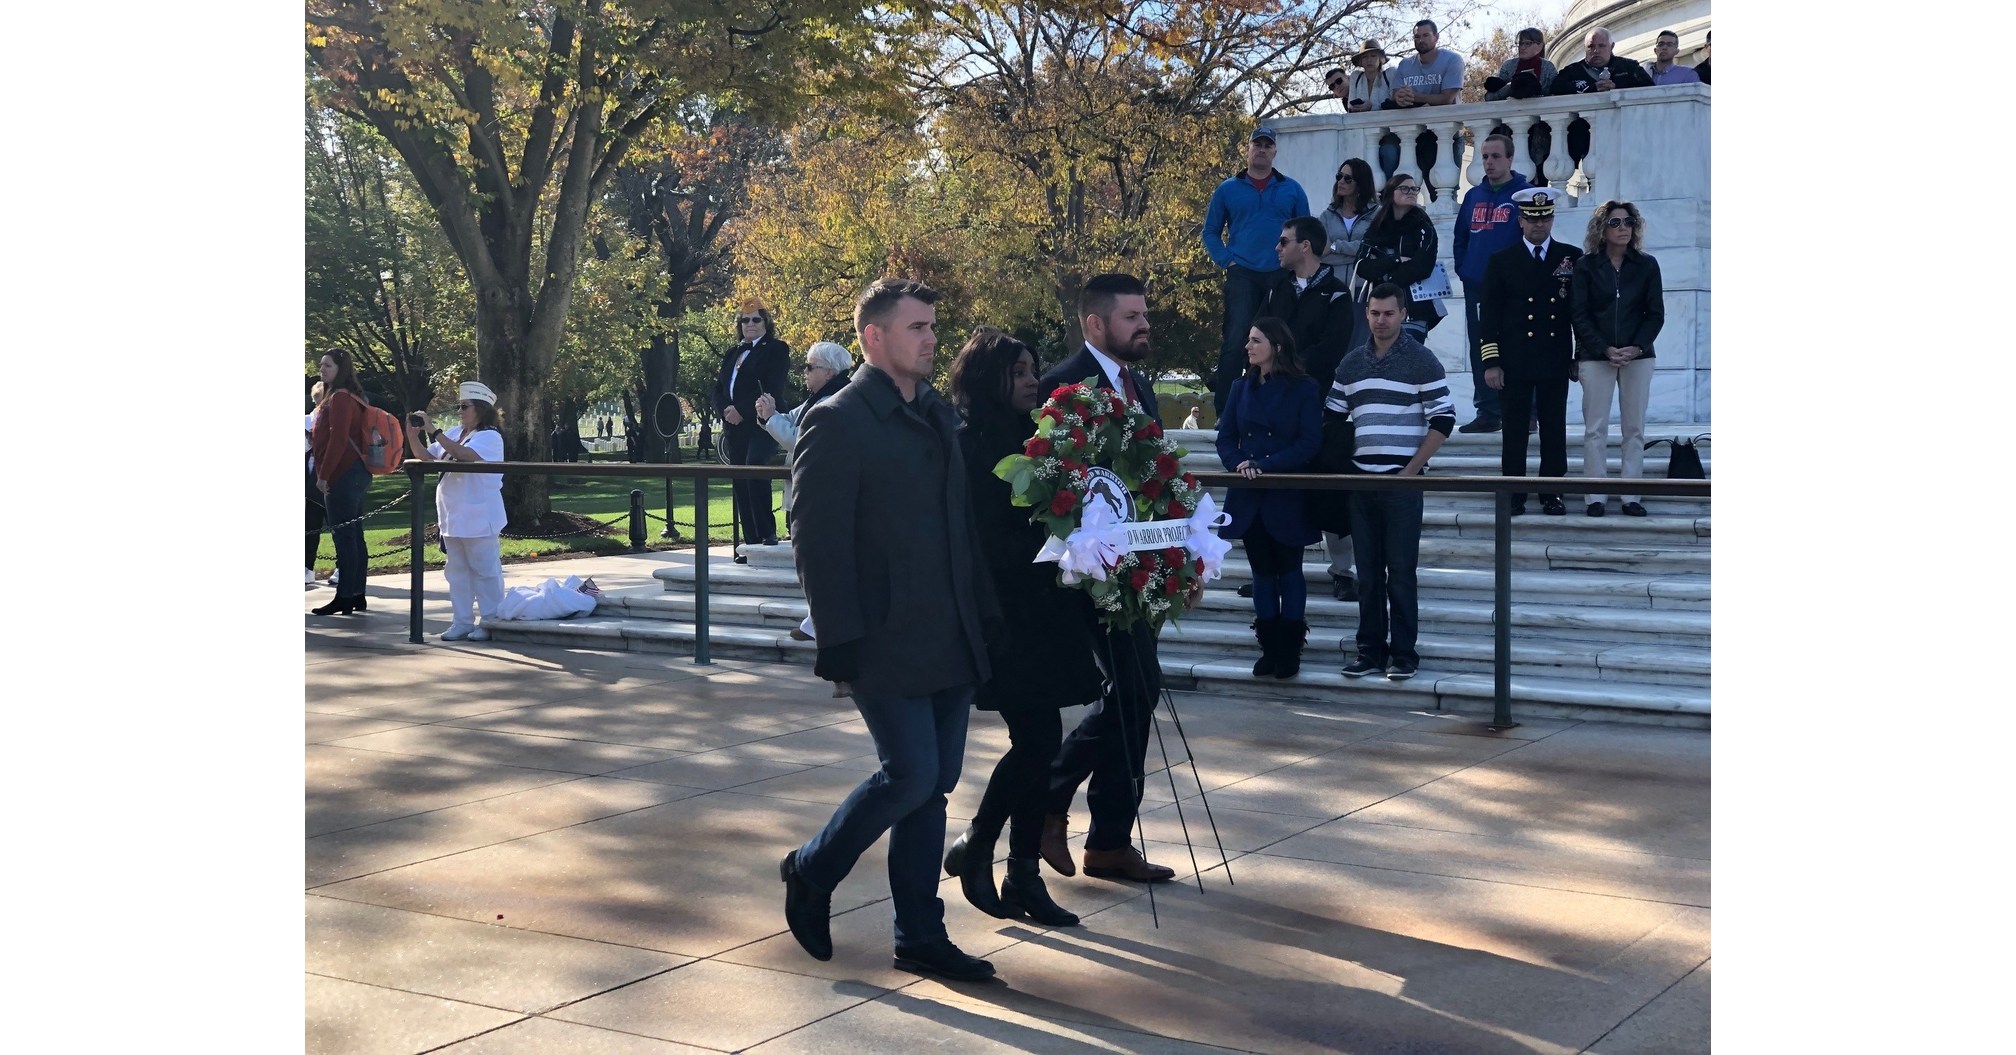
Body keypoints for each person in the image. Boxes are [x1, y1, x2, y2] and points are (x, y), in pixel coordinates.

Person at [780, 278, 1003, 982]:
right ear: (874, 338)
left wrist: (985, 614)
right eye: (917, 327)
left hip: (950, 631)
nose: (932, 337)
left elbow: (961, 528)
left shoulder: (938, 413)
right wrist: (839, 636)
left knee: (933, 783)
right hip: (881, 634)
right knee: (909, 772)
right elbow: (814, 535)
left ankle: (919, 935)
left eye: (933, 325)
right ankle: (812, 869)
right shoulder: (838, 418)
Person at [943, 328, 1103, 927]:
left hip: (1044, 606)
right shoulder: (967, 444)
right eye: (1019, 372)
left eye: (1033, 369)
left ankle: (1014, 868)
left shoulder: (1039, 438)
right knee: (1036, 739)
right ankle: (990, 850)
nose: (1034, 380)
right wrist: (1053, 540)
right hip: (1004, 611)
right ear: (990, 379)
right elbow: (982, 536)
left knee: (1039, 741)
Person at [1037, 273, 1178, 884]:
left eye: (1144, 314)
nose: (1144, 324)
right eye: (1131, 316)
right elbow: (1049, 484)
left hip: (1136, 566)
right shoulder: (1063, 386)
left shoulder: (1139, 384)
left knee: (1137, 693)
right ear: (1095, 324)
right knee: (1135, 688)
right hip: (1084, 573)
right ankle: (1047, 794)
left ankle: (1108, 841)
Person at [1332, 284, 1454, 681]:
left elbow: (1443, 420)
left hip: (1403, 485)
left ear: (1403, 313)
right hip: (1361, 484)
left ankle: (1403, 654)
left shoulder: (1422, 360)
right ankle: (1369, 651)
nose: (1381, 321)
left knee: (1400, 572)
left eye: (1388, 313)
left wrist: (1411, 470)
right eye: (1374, 313)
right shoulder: (1350, 364)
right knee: (1367, 574)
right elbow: (1332, 418)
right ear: (1366, 314)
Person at [1216, 318, 1323, 679]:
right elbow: (1226, 438)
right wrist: (1239, 464)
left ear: (1276, 346)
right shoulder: (1238, 388)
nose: (1247, 347)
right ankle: (1268, 648)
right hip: (1249, 494)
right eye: (1248, 340)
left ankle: (1290, 649)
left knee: (1289, 571)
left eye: (1255, 340)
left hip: (1285, 491)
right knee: (1261, 571)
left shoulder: (1303, 388)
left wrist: (1266, 465)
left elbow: (1309, 442)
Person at [1264, 214, 1360, 601]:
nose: (1278, 247)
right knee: (1278, 489)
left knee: (1330, 485)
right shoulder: (1275, 290)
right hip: (1276, 404)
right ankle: (1275, 569)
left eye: (1284, 241)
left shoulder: (1336, 293)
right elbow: (1261, 336)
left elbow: (1332, 349)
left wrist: (1291, 370)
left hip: (1321, 404)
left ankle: (1342, 570)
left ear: (1305, 246)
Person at [1479, 187, 1582, 516]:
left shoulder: (1570, 257)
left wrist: (1579, 355)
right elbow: (1489, 316)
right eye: (1532, 219)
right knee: (1514, 426)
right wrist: (1491, 361)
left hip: (1554, 355)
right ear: (1521, 221)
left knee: (1554, 426)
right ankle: (1514, 490)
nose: (1539, 225)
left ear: (1552, 219)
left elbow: (1578, 311)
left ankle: (1553, 491)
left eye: (1546, 218)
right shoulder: (1501, 261)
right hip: (1515, 357)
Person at [1201, 127, 1310, 415]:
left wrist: (1298, 267)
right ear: (1247, 149)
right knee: (1237, 340)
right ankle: (1225, 413)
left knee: (1282, 342)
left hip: (1281, 273)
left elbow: (1305, 231)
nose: (1261, 149)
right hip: (1243, 274)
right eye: (1256, 144)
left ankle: (1279, 407)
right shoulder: (1227, 189)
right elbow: (1210, 232)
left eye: (1267, 145)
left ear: (1275, 151)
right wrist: (1227, 260)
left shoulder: (1292, 189)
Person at [756, 339, 854, 639]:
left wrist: (771, 418)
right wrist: (770, 413)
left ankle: (819, 623)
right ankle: (815, 621)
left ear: (828, 371)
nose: (805, 373)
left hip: (825, 492)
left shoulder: (834, 399)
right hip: (813, 490)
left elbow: (799, 437)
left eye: (810, 367)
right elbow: (790, 419)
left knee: (820, 558)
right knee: (814, 558)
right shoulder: (818, 397)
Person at [1572, 200, 1664, 518]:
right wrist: (1604, 349)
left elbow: (1655, 314)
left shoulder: (1647, 265)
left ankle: (1631, 495)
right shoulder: (1585, 266)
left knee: (1634, 428)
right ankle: (1594, 496)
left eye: (1628, 222)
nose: (1623, 228)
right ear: (1602, 229)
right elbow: (1579, 315)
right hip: (1597, 357)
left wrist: (1636, 347)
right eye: (1615, 223)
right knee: (1595, 428)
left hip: (1638, 357)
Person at [403, 382, 508, 640]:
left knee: (485, 571)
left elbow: (464, 455)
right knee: (456, 572)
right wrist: (412, 436)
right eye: (458, 406)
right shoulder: (454, 432)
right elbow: (429, 458)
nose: (459, 411)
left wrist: (434, 430)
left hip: (479, 517)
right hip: (453, 514)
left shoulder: (490, 437)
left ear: (481, 410)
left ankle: (491, 621)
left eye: (464, 406)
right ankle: (462, 621)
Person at [1452, 134, 1533, 434]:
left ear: (1510, 159)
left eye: (1496, 156)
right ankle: (1487, 411)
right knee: (1481, 348)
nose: (1489, 162)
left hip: (1515, 287)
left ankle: (1526, 412)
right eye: (1485, 156)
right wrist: (1465, 270)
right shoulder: (1473, 196)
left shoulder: (1524, 194)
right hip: (1478, 286)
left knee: (1520, 347)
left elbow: (1535, 238)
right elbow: (1461, 238)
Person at [713, 299, 792, 547]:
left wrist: (742, 410)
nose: (750, 324)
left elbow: (772, 387)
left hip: (761, 422)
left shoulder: (776, 349)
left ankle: (767, 533)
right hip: (734, 427)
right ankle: (750, 540)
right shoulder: (733, 352)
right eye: (745, 320)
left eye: (756, 319)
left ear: (766, 322)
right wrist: (725, 409)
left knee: (755, 467)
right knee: (739, 479)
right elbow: (718, 388)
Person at [309, 349, 374, 616]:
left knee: (345, 536)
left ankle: (345, 595)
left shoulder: (341, 399)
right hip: (353, 472)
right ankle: (356, 593)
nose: (322, 370)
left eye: (328, 366)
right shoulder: (346, 397)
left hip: (343, 473)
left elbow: (338, 440)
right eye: (321, 365)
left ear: (341, 369)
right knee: (354, 535)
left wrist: (323, 475)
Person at [1355, 174, 1443, 342]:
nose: (1411, 192)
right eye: (1404, 188)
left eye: (1414, 188)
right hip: (1382, 309)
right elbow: (1362, 266)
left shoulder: (1424, 227)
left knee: (1409, 360)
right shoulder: (1377, 228)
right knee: (1382, 361)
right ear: (1390, 193)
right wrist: (1395, 260)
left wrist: (1388, 279)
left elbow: (1422, 267)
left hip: (1414, 308)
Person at [1391, 19, 1463, 193]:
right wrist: (1399, 97)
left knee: (1446, 189)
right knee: (1412, 188)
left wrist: (1415, 97)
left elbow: (1447, 98)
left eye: (1425, 35)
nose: (1421, 40)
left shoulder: (1452, 60)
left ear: (1436, 37)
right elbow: (1394, 93)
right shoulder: (1405, 65)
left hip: (1446, 134)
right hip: (1414, 135)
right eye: (1417, 36)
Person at [1319, 157, 1379, 325]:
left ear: (1361, 184)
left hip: (1364, 290)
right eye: (1339, 176)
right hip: (1332, 288)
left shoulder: (1377, 214)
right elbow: (1320, 254)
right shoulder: (1326, 215)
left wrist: (1334, 246)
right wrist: (1357, 254)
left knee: (1360, 344)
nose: (1341, 182)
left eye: (1348, 178)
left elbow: (1372, 250)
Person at [1549, 27, 1652, 95]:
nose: (1596, 50)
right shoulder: (1572, 71)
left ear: (1612, 46)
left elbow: (1650, 89)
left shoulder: (1629, 67)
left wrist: (1616, 87)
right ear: (1585, 48)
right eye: (1591, 46)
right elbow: (1554, 89)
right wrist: (1591, 87)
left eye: (1601, 46)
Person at [1485, 28, 1556, 100]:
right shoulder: (1508, 66)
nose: (1522, 47)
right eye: (1520, 43)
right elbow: (1489, 97)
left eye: (1528, 43)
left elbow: (1557, 96)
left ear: (1540, 46)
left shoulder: (1548, 67)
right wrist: (1511, 87)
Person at [306, 381, 327, 585]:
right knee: (309, 526)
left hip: (331, 479)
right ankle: (307, 567)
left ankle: (342, 567)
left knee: (339, 525)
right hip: (310, 480)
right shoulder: (307, 421)